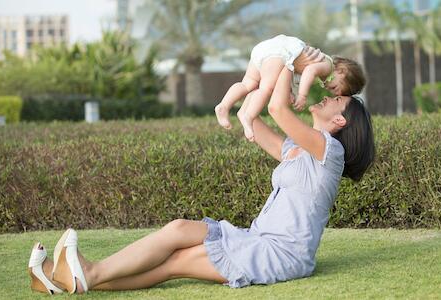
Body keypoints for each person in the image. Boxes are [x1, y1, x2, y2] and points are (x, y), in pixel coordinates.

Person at [26, 59, 375, 294]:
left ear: (341, 122)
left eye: (337, 101)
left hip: (280, 254)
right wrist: (260, 81)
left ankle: (87, 275)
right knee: (179, 228)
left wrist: (288, 57)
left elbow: (277, 109)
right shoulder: (296, 150)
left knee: (176, 262)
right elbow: (253, 119)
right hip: (255, 237)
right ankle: (65, 279)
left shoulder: (330, 152)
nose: (330, 97)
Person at [215, 34, 366, 142]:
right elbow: (308, 71)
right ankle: (248, 116)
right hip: (280, 53)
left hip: (266, 49)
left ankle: (224, 105)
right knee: (266, 88)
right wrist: (302, 95)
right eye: (335, 88)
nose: (329, 90)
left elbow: (292, 71)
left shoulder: (324, 65)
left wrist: (290, 91)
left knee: (248, 83)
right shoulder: (328, 66)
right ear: (342, 72)